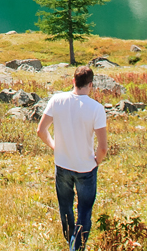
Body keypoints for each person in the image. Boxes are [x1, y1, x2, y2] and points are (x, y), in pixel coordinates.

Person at [37, 66, 109, 251]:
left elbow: (41, 130)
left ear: (73, 81)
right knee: (84, 210)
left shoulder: (57, 100)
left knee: (66, 207)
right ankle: (78, 246)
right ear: (91, 85)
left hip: (62, 164)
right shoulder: (96, 108)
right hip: (86, 167)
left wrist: (54, 146)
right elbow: (102, 147)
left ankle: (70, 241)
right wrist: (96, 161)